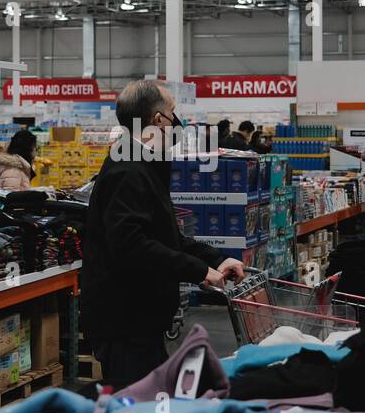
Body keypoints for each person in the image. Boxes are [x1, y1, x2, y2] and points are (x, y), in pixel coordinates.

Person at [82, 80, 245, 386]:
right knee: (136, 408)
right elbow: (131, 246)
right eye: (173, 113)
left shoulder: (142, 162)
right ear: (158, 120)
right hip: (125, 322)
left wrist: (216, 259)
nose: (177, 122)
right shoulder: (128, 169)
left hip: (140, 320)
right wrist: (199, 271)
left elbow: (165, 236)